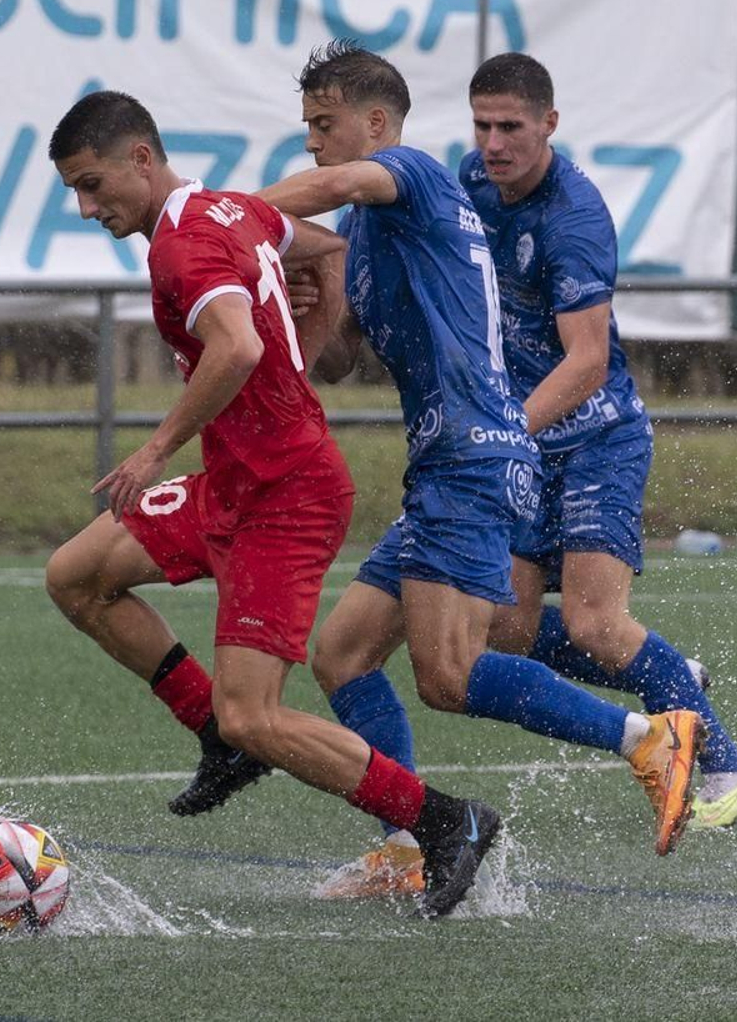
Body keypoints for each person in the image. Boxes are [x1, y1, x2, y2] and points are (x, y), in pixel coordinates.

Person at [249, 41, 706, 890]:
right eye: (306, 126)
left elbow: (338, 184)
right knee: (344, 655)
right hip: (440, 464)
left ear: (377, 124)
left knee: (450, 675)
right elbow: (341, 357)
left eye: (324, 123)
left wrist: (225, 216)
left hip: (472, 457)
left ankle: (648, 737)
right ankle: (406, 845)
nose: (311, 142)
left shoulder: (415, 175)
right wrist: (309, 317)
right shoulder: (365, 236)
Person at [41, 89, 500, 918]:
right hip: (236, 480)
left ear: (141, 160)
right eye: (75, 190)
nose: (86, 207)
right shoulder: (227, 210)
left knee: (257, 713)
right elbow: (324, 247)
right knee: (75, 576)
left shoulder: (184, 245)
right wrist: (312, 346)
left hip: (286, 494)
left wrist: (153, 449)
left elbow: (239, 346)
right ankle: (214, 736)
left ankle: (443, 822)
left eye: (94, 184)